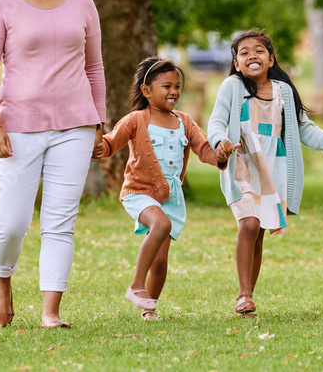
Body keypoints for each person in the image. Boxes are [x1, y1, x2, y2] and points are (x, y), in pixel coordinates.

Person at [0, 0, 106, 329]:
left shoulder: (82, 2)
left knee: (59, 223)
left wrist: (99, 122)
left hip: (76, 126)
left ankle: (51, 312)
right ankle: (3, 284)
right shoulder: (2, 6)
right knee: (12, 223)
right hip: (17, 128)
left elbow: (95, 67)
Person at [209, 29, 323, 317]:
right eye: (243, 52)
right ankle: (243, 295)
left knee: (258, 231)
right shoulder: (231, 87)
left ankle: (248, 296)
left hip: (274, 170)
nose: (251, 56)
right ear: (236, 63)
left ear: (270, 59)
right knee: (248, 223)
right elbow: (217, 122)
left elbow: (304, 129)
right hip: (242, 165)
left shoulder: (284, 91)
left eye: (258, 50)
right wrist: (219, 142)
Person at [94, 57, 227, 320]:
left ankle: (148, 308)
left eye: (177, 86)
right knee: (161, 225)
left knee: (161, 261)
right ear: (146, 91)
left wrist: (221, 153)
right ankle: (135, 286)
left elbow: (205, 150)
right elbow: (109, 144)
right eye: (166, 86)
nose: (174, 92)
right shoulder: (136, 120)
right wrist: (98, 146)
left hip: (171, 197)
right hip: (139, 191)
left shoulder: (184, 121)